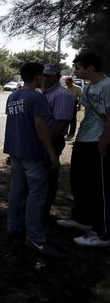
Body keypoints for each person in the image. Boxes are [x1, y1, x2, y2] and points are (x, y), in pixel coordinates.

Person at [5, 62, 62, 257]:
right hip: (33, 153)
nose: (43, 79)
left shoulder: (13, 96)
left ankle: (13, 226)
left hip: (15, 151)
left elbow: (15, 123)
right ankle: (35, 239)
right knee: (37, 195)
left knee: (17, 190)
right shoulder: (37, 98)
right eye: (42, 76)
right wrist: (52, 153)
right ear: (37, 77)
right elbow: (41, 127)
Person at [57, 53, 110, 247]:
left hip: (98, 142)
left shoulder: (107, 85)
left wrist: (104, 140)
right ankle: (81, 218)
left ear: (90, 68)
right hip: (83, 139)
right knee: (79, 181)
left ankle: (102, 233)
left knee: (99, 188)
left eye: (78, 68)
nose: (75, 71)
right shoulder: (88, 87)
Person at [40, 64, 74, 222]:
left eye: (49, 76)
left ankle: (43, 211)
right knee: (40, 177)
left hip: (52, 140)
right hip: (44, 140)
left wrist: (44, 143)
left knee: (48, 178)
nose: (45, 78)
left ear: (58, 76)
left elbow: (60, 124)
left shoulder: (61, 94)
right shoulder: (46, 92)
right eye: (43, 75)